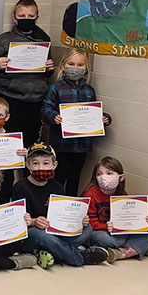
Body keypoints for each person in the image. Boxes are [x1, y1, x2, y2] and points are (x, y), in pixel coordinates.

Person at [12, 142, 108, 268]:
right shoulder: (20, 187)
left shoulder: (57, 186)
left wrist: (79, 220)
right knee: (40, 234)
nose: (41, 167)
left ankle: (50, 251)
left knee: (88, 228)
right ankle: (79, 257)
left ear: (54, 165)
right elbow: (16, 223)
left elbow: (64, 213)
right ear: (27, 165)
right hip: (33, 234)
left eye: (46, 163)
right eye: (35, 163)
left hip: (55, 232)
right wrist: (34, 221)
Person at [41, 47, 111, 196]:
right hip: (61, 145)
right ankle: (55, 208)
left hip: (81, 146)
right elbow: (45, 108)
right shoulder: (56, 88)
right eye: (71, 64)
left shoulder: (89, 90)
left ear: (86, 69)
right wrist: (53, 116)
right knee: (59, 179)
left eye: (80, 65)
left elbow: (92, 112)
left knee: (75, 179)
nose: (75, 68)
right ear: (63, 66)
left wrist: (103, 118)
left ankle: (71, 208)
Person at [0, 0, 55, 148]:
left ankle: (27, 172)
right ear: (14, 18)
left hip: (35, 102)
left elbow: (46, 73)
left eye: (30, 16)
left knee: (31, 146)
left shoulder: (43, 39)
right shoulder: (4, 40)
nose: (26, 19)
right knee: (8, 144)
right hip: (10, 100)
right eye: (22, 16)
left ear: (37, 17)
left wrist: (50, 69)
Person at [83, 157, 148, 262]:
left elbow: (132, 219)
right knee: (104, 239)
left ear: (121, 177)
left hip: (120, 232)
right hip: (102, 232)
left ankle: (122, 253)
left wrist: (144, 221)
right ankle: (138, 247)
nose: (103, 177)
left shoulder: (122, 194)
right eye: (99, 174)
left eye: (109, 173)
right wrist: (105, 226)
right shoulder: (91, 194)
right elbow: (89, 222)